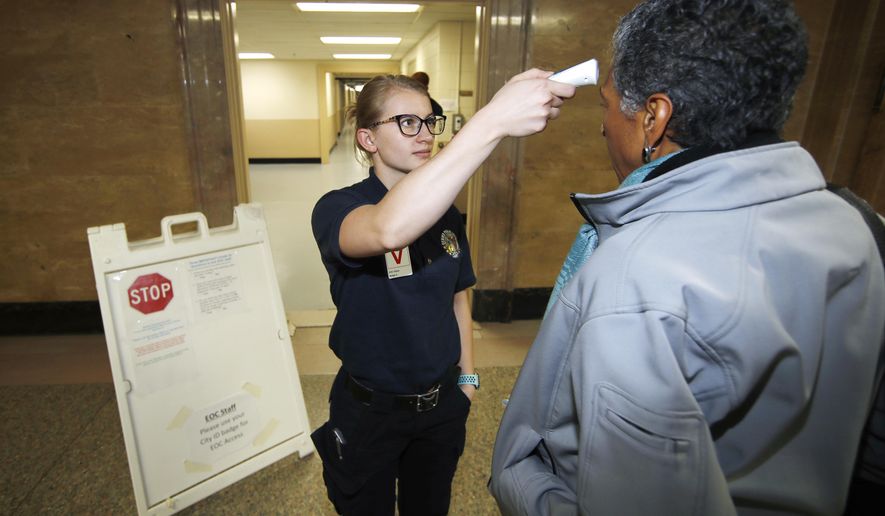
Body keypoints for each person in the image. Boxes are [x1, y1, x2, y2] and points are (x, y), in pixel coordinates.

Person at [489, 1, 885, 515]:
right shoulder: (857, 222)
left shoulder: (637, 280)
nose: (604, 127)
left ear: (653, 118)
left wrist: (524, 482)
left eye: (607, 105)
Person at [310, 72, 575, 515]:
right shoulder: (338, 208)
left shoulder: (446, 214)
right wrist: (493, 121)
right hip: (369, 413)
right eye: (406, 123)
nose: (425, 134)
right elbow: (387, 229)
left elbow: (457, 295)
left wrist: (467, 382)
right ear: (367, 138)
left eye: (430, 122)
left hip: (440, 409)